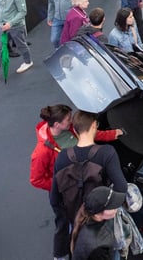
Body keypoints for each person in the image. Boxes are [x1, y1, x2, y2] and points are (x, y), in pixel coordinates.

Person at [50, 111, 128, 260]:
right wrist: (107, 212)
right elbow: (121, 188)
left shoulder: (62, 157)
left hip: (76, 219)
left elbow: (54, 198)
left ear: (75, 129)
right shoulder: (106, 153)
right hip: (101, 222)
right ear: (94, 125)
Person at [29, 105, 122, 192]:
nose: (71, 121)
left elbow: (86, 134)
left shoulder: (69, 127)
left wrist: (113, 134)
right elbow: (36, 180)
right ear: (57, 124)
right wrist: (63, 184)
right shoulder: (42, 152)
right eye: (68, 119)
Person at [69, 186, 129, 260]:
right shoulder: (97, 248)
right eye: (112, 207)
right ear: (97, 214)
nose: (116, 208)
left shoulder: (85, 218)